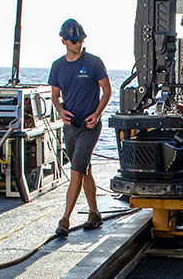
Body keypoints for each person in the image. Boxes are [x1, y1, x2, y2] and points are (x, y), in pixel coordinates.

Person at [48, 19, 111, 237]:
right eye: (74, 41)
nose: (78, 44)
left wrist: (97, 114)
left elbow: (107, 91)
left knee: (76, 170)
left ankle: (64, 220)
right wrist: (60, 110)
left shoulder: (94, 62)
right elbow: (55, 96)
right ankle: (94, 214)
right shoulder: (57, 66)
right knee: (84, 169)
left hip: (89, 125)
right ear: (64, 40)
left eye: (81, 40)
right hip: (70, 127)